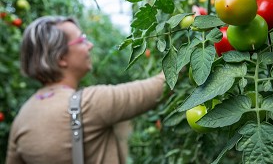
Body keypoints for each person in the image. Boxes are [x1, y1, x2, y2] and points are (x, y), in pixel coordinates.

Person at [6, 16, 165, 164]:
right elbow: (161, 85)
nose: (90, 45)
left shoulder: (22, 117)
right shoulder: (90, 103)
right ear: (61, 58)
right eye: (82, 40)